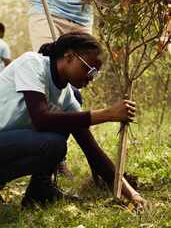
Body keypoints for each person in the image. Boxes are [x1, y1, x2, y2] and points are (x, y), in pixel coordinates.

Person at [0, 31, 145, 208]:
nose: (91, 78)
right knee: (53, 144)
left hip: (7, 143)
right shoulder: (32, 63)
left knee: (58, 139)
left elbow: (92, 150)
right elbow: (41, 119)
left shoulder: (66, 97)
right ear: (69, 57)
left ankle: (38, 193)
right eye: (89, 69)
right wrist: (107, 114)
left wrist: (132, 194)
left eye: (95, 73)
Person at [12, 0, 92, 177]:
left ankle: (56, 150)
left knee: (76, 88)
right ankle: (53, 159)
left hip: (81, 15)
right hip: (46, 10)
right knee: (52, 81)